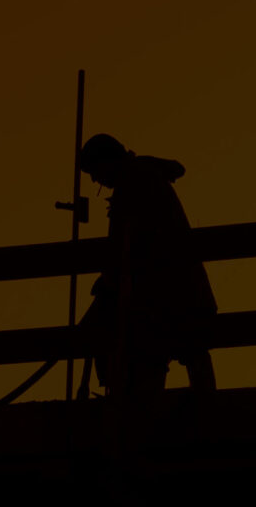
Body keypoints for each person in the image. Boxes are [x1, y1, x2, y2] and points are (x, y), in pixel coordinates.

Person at [78, 134, 217, 399]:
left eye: (95, 172)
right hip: (174, 292)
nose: (97, 181)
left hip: (165, 295)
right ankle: (200, 404)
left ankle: (141, 405)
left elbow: (133, 245)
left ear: (108, 161)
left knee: (149, 352)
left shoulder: (135, 184)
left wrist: (111, 282)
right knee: (186, 351)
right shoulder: (143, 178)